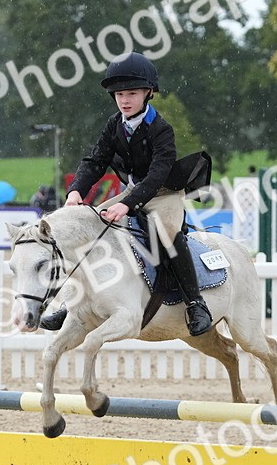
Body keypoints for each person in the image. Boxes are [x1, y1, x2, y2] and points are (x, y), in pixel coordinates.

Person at [41, 52, 213, 336]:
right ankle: (72, 303)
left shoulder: (161, 129)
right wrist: (76, 192)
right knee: (88, 226)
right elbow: (95, 161)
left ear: (148, 93)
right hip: (134, 191)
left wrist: (127, 205)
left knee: (168, 233)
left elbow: (158, 174)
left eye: (132, 93)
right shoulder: (114, 125)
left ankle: (196, 304)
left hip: (164, 192)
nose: (124, 100)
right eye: (120, 94)